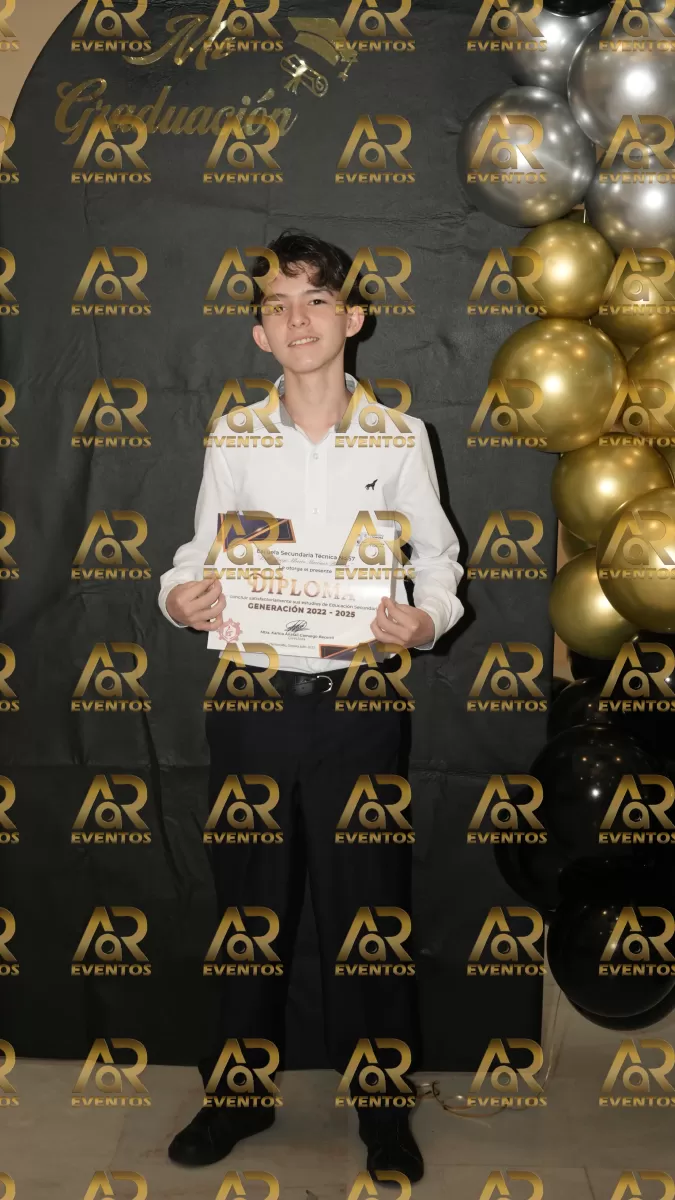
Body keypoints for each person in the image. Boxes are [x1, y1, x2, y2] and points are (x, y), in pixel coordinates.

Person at [157, 230, 464, 1183]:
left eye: (316, 301)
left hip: (360, 700)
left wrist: (426, 618)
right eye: (277, 306)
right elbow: (198, 553)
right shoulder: (233, 435)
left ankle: (382, 1110)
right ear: (259, 333)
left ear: (351, 317)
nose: (297, 320)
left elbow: (439, 561)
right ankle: (236, 1097)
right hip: (249, 697)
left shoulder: (401, 437)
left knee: (367, 911)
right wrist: (180, 598)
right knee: (247, 909)